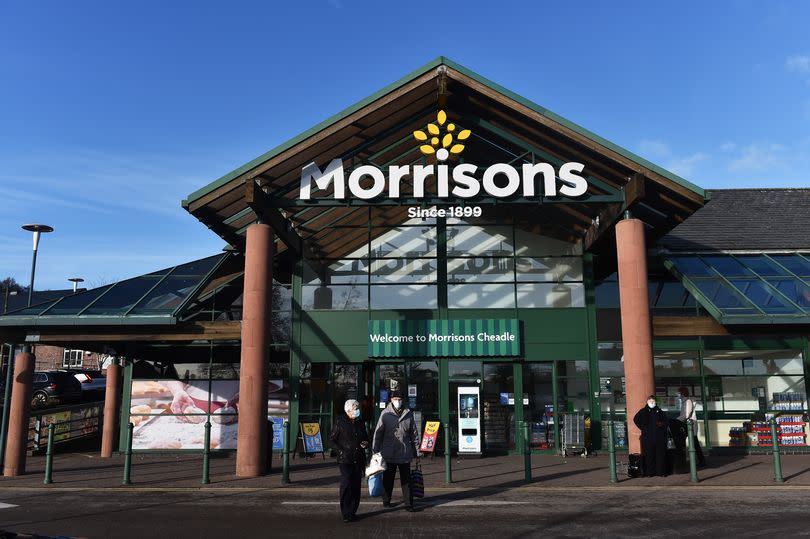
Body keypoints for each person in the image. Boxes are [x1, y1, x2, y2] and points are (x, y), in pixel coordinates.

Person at [373, 390, 420, 511]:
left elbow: (414, 434)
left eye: (399, 399)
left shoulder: (408, 413)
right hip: (389, 452)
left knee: (406, 480)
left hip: (404, 452)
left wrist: (417, 451)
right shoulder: (385, 414)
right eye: (395, 399)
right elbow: (378, 434)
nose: (397, 401)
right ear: (391, 400)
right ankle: (386, 500)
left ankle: (408, 504)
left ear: (402, 400)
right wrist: (375, 450)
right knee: (388, 479)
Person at [330, 399, 369, 523]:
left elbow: (365, 437)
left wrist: (366, 443)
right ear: (348, 410)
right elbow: (332, 440)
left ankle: (353, 511)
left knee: (356, 486)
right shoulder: (340, 421)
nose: (357, 410)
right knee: (346, 483)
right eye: (355, 408)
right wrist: (341, 451)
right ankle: (346, 513)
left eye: (358, 408)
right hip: (345, 459)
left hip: (358, 458)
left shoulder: (360, 422)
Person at [633, 395, 669, 477]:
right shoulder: (643, 411)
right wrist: (642, 427)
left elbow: (666, 422)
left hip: (659, 437)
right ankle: (650, 473)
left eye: (653, 401)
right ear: (647, 402)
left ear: (655, 402)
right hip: (647, 438)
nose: (652, 403)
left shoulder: (659, 411)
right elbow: (635, 419)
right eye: (650, 401)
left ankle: (661, 472)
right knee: (649, 456)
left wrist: (662, 424)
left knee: (660, 455)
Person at [677, 387, 706, 467]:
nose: (678, 395)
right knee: (693, 442)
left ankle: (701, 461)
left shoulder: (688, 401)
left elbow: (687, 414)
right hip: (686, 424)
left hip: (691, 424)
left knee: (694, 442)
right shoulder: (684, 402)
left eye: (679, 393)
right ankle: (700, 460)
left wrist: (677, 420)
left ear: (682, 393)